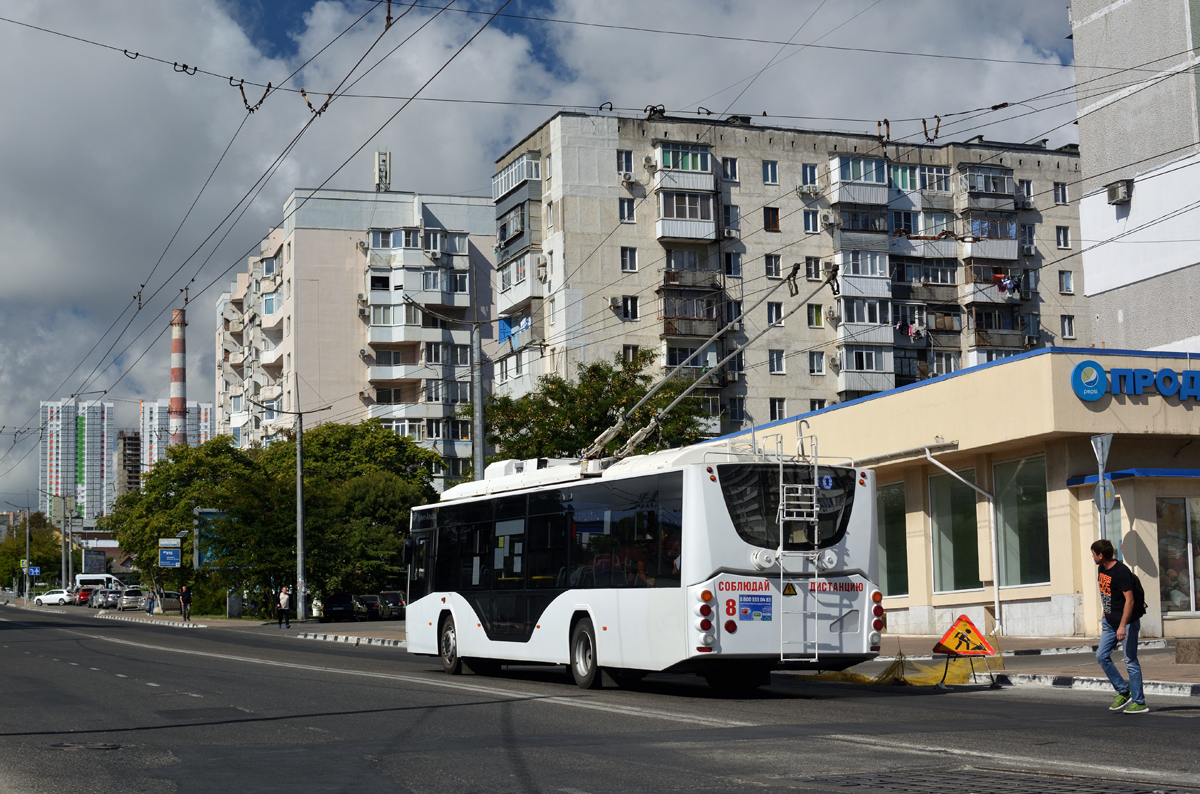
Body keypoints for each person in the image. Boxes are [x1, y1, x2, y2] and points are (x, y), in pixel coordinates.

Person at [1092, 539, 1148, 714]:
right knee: (1101, 656)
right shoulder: (1102, 569)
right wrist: (1105, 611)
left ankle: (1139, 702)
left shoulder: (1121, 572)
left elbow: (1129, 601)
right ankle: (1124, 691)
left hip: (1127, 623)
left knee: (1130, 660)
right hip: (1109, 621)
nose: (1092, 557)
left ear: (1101, 555)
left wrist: (1122, 626)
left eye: (1093, 554)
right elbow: (1107, 592)